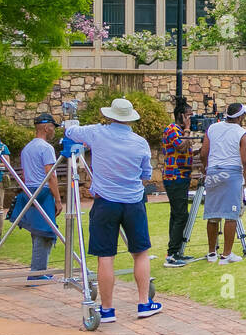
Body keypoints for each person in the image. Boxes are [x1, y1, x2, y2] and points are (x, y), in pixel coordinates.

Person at [64, 98, 161, 322]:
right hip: (133, 200)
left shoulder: (98, 133)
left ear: (110, 116)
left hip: (105, 200)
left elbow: (71, 133)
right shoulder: (140, 143)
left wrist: (69, 124)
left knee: (105, 255)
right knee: (140, 252)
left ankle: (107, 309)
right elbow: (145, 174)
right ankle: (143, 302)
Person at [10, 113, 64, 283]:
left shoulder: (27, 148)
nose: (54, 130)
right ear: (46, 127)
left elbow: (26, 174)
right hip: (43, 191)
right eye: (53, 127)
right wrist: (57, 199)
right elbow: (51, 174)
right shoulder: (46, 148)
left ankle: (39, 269)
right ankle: (37, 273)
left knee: (37, 231)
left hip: (29, 191)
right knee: (45, 232)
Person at [200, 102, 246, 264]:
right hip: (231, 173)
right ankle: (226, 255)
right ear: (240, 117)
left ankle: (212, 253)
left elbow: (204, 153)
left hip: (213, 171)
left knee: (213, 215)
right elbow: (245, 161)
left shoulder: (212, 128)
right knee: (231, 215)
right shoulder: (242, 133)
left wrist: (206, 170)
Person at [161, 99, 200, 267]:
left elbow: (187, 150)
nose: (191, 119)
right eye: (189, 116)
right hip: (174, 177)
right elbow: (182, 147)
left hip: (182, 176)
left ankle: (175, 251)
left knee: (177, 214)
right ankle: (172, 254)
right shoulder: (172, 130)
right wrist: (188, 129)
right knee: (180, 215)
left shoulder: (180, 131)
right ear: (181, 116)